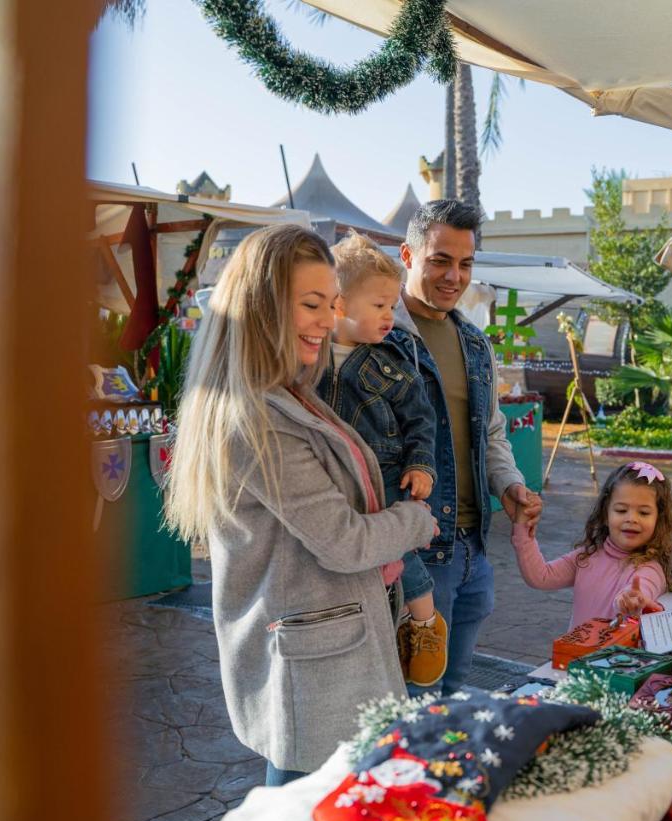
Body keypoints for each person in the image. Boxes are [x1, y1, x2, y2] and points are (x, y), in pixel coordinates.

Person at [164, 225, 437, 785]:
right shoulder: (258, 418)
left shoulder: (284, 397)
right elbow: (344, 541)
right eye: (312, 304)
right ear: (260, 309)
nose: (328, 319)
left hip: (326, 658)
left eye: (333, 304)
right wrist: (414, 522)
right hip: (314, 673)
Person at [390, 199, 543, 695]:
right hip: (414, 552)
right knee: (412, 706)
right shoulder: (382, 338)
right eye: (440, 260)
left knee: (453, 698)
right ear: (408, 256)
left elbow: (492, 433)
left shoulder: (476, 344)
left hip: (476, 548)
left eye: (465, 263)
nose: (455, 276)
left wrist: (512, 485)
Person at [315, 232, 447, 688]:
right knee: (358, 559)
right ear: (338, 304)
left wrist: (421, 464)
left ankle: (426, 623)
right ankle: (387, 626)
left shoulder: (388, 363)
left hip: (386, 473)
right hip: (332, 480)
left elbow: (421, 419)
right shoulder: (306, 358)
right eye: (380, 306)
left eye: (393, 306)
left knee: (396, 547)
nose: (390, 315)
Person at [510, 462, 672, 629]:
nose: (632, 519)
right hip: (575, 654)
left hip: (611, 657)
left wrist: (630, 599)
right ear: (605, 514)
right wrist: (523, 528)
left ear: (658, 521)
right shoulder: (586, 556)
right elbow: (541, 577)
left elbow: (640, 589)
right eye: (621, 510)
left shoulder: (649, 569)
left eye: (643, 512)